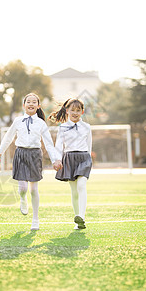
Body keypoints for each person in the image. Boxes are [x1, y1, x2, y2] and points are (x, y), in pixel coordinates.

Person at [0, 93, 62, 231]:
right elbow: (8, 137)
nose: (31, 104)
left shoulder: (41, 123)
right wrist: (0, 152)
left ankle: (35, 219)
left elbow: (49, 143)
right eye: (28, 102)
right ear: (24, 105)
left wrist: (55, 160)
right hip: (20, 154)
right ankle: (22, 199)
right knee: (23, 188)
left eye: (34, 102)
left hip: (35, 155)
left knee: (34, 189)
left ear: (38, 106)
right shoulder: (18, 121)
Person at [49, 98, 92, 230]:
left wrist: (88, 159)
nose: (75, 113)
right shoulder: (62, 128)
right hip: (69, 158)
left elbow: (89, 145)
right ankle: (77, 220)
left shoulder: (87, 127)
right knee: (74, 191)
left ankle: (82, 217)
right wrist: (57, 160)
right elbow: (58, 145)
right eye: (72, 110)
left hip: (84, 158)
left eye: (78, 110)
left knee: (81, 185)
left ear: (82, 112)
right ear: (67, 111)